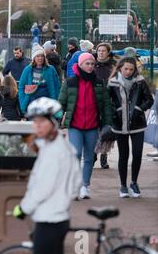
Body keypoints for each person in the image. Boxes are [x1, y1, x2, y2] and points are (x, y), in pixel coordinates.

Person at [13, 97, 81, 254]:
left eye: (42, 121)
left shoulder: (52, 153)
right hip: (60, 218)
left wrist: (22, 209)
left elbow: (42, 188)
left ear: (53, 122)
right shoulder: (63, 146)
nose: (37, 126)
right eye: (34, 121)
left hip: (48, 220)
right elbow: (76, 185)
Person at [59, 53, 113, 200]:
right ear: (81, 64)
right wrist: (55, 119)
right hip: (75, 126)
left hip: (93, 126)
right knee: (75, 154)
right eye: (87, 63)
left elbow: (107, 105)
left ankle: (84, 186)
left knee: (89, 157)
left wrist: (108, 124)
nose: (90, 66)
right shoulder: (69, 82)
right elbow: (61, 103)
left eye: (92, 64)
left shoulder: (99, 83)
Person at [108, 57, 154, 198]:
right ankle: (123, 186)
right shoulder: (112, 82)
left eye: (131, 69)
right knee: (123, 155)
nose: (128, 72)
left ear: (134, 69)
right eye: (125, 68)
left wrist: (140, 108)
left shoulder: (140, 81)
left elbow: (149, 99)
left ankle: (134, 183)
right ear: (120, 67)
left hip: (137, 124)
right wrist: (114, 111)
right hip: (119, 124)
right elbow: (107, 101)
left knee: (138, 153)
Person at [18, 45, 61, 117]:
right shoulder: (27, 70)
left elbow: (57, 86)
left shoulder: (50, 69)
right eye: (38, 56)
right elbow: (21, 87)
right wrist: (23, 101)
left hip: (47, 104)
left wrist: (56, 101)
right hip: (31, 103)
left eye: (42, 56)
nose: (40, 58)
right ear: (34, 58)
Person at [93, 42, 117, 169]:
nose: (101, 52)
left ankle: (104, 155)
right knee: (94, 129)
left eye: (103, 50)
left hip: (109, 101)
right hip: (94, 101)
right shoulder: (92, 64)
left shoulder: (113, 66)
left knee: (107, 130)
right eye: (99, 50)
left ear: (108, 52)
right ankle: (93, 154)